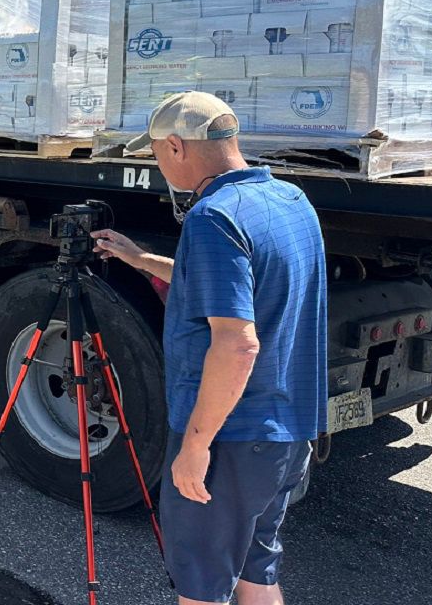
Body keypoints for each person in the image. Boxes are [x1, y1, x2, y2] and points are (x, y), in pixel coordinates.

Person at [90, 92, 327, 605]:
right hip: (286, 434)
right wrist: (140, 259)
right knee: (256, 573)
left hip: (230, 439)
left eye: (155, 153)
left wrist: (196, 448)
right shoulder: (290, 201)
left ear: (176, 146)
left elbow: (238, 344)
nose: (157, 164)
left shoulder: (213, 218)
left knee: (202, 588)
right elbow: (235, 292)